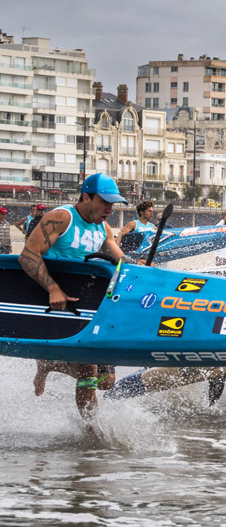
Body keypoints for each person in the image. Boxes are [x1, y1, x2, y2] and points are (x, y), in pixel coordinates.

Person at [22, 173, 128, 422]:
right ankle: (94, 440)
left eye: (113, 204)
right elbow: (27, 255)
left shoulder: (103, 227)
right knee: (89, 372)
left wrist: (144, 268)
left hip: (90, 305)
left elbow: (122, 262)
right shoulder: (62, 218)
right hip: (59, 305)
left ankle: (50, 364)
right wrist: (53, 288)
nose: (110, 209)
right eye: (105, 202)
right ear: (86, 197)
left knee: (107, 381)